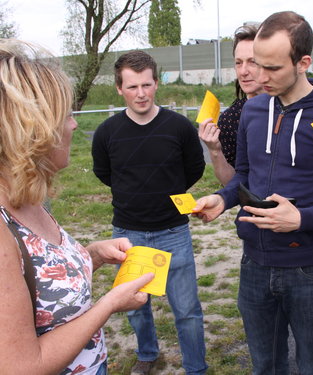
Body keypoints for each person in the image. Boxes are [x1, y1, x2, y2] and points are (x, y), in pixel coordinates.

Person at [193, 11, 313, 375]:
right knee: (266, 366)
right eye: (257, 64)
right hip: (254, 264)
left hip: (311, 269)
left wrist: (301, 219)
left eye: (272, 68)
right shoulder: (253, 110)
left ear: (303, 62)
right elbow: (243, 174)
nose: (260, 76)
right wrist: (223, 199)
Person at [0, 39, 154, 375]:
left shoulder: (28, 200)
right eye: (65, 115)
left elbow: (39, 287)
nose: (73, 125)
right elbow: (20, 366)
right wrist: (110, 303)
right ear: (32, 130)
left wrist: (93, 255)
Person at [91, 51, 207, 375]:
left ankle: (196, 368)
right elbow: (105, 173)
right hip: (128, 235)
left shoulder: (179, 127)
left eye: (146, 85)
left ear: (156, 83)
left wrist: (164, 191)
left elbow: (194, 168)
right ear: (119, 89)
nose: (140, 93)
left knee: (187, 310)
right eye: (132, 87)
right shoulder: (106, 132)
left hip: (174, 232)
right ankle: (147, 353)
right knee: (135, 308)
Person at [199, 24, 263, 185]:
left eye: (252, 62)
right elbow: (231, 184)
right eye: (238, 63)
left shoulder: (294, 106)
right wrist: (214, 151)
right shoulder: (231, 119)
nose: (243, 71)